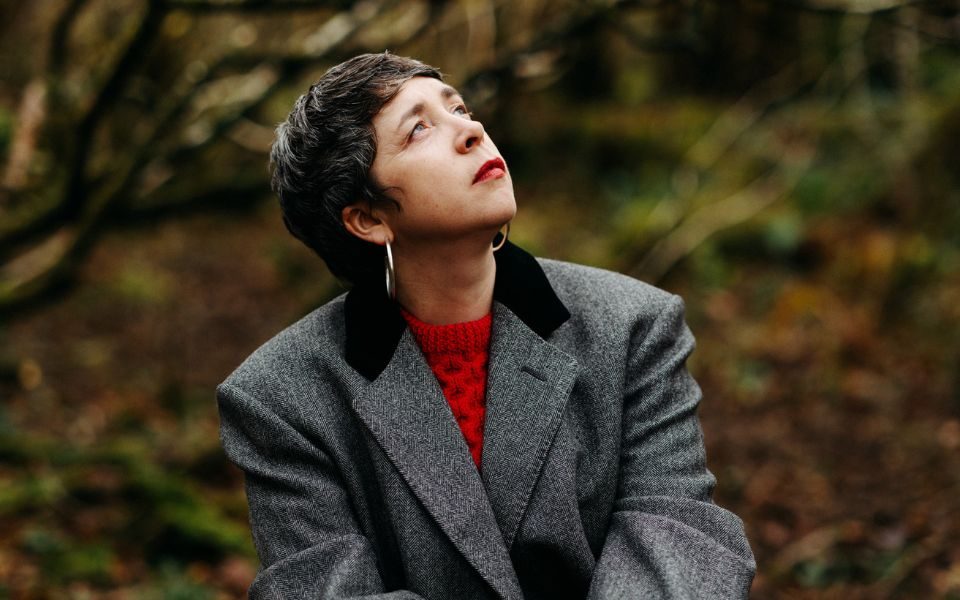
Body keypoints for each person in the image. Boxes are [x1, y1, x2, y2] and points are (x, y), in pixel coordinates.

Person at [217, 52, 755, 599]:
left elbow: (676, 537)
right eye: (420, 128)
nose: (471, 130)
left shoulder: (632, 326)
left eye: (460, 108)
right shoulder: (280, 399)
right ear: (368, 218)